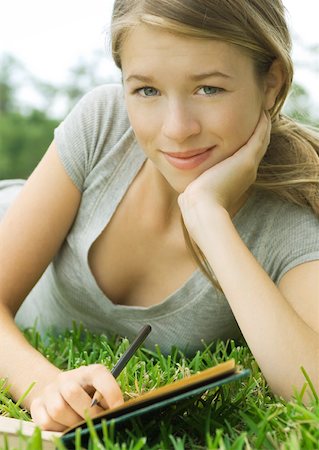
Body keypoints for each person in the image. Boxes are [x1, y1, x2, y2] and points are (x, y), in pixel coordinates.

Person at [0, 0, 318, 432]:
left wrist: (207, 214)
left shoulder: (286, 222)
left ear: (270, 82)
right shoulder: (103, 126)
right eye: (147, 90)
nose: (176, 128)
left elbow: (311, 389)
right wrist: (45, 386)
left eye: (208, 89)